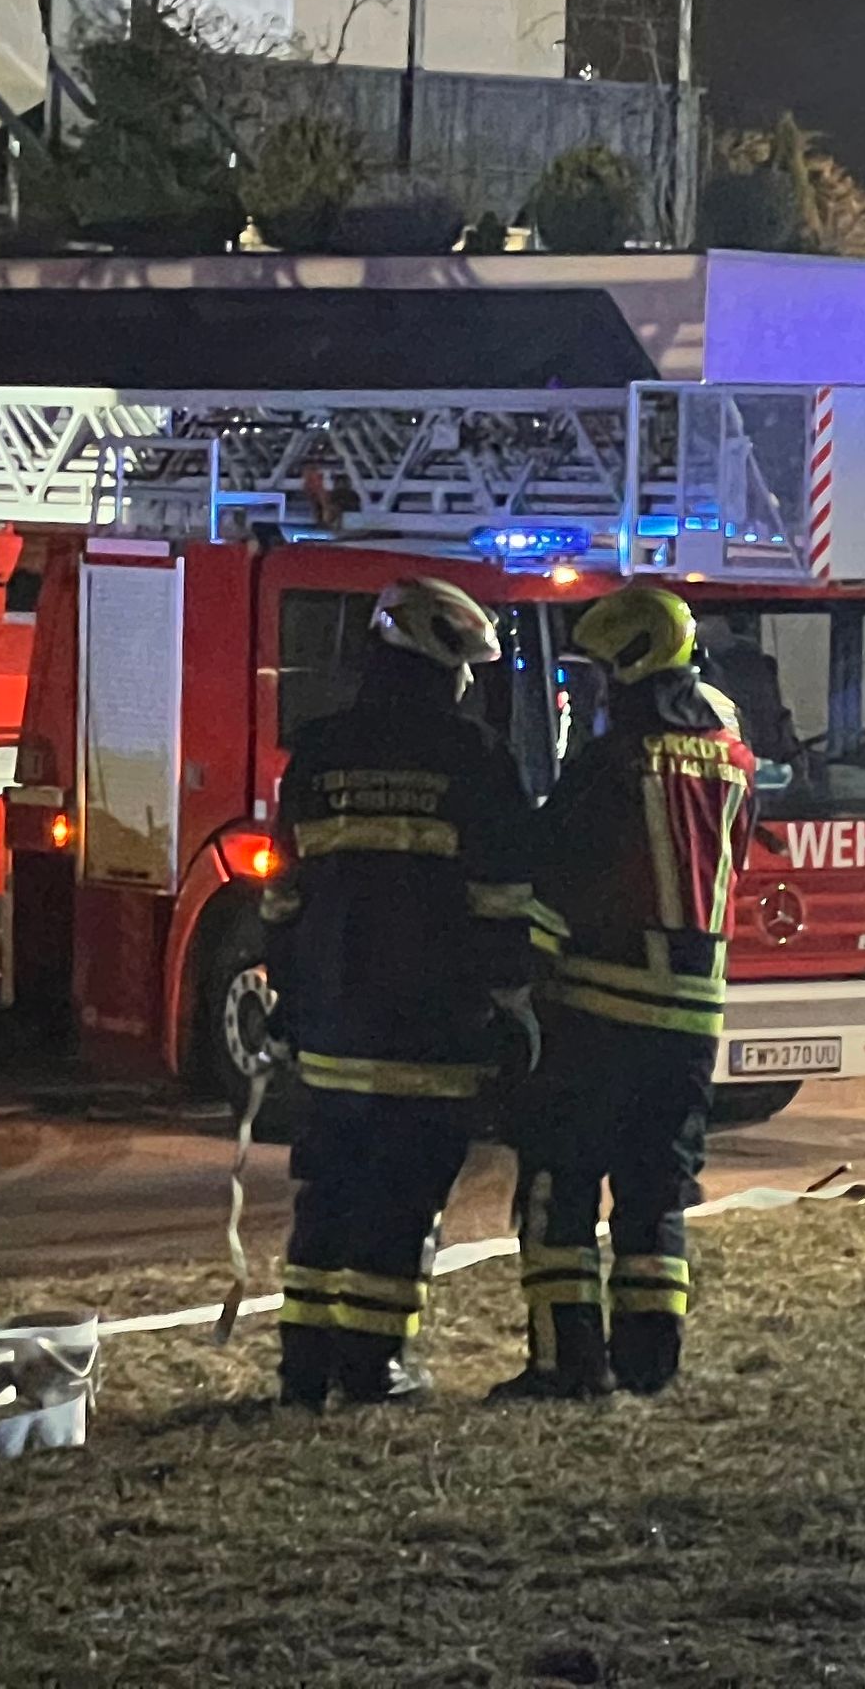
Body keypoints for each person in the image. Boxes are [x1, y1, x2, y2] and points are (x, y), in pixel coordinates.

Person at [258, 574, 547, 1411]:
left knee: (329, 1200)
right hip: (429, 1026)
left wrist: (291, 992)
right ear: (445, 662)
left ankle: (304, 1369)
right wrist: (509, 999)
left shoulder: (317, 752)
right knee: (401, 1200)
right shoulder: (471, 757)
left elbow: (283, 895)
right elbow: (501, 897)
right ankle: (375, 1363)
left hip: (329, 1026)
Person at [503, 582, 755, 1402]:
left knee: (560, 1186)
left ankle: (567, 1365)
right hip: (693, 1019)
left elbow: (555, 873)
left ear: (631, 668)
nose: (596, 690)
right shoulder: (734, 764)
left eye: (602, 674)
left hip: (599, 1010)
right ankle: (651, 1363)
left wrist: (515, 979)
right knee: (655, 1193)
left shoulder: (612, 764)